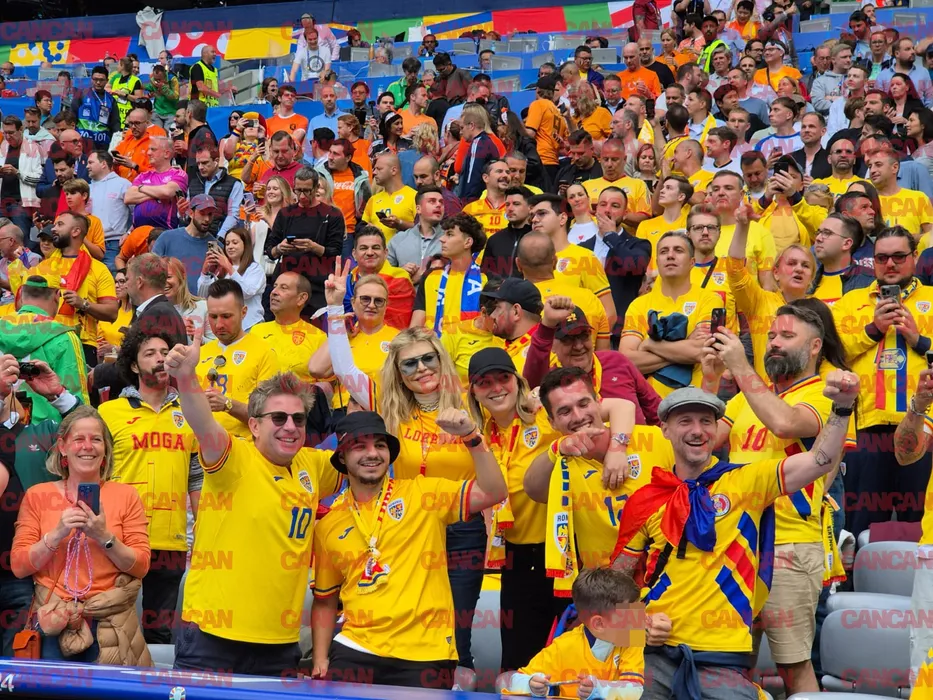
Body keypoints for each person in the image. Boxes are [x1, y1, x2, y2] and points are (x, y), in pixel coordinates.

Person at [611, 372, 859, 699]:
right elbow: (614, 584)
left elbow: (821, 460)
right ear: (665, 430)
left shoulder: (747, 481)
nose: (697, 430)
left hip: (723, 661)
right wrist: (637, 623)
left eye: (706, 421)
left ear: (716, 430)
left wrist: (842, 408)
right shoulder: (645, 499)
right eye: (685, 421)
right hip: (654, 656)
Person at [703, 303, 855, 695]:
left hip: (789, 545)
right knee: (732, 660)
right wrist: (710, 379)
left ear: (815, 346)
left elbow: (786, 423)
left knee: (793, 664)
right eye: (771, 335)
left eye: (787, 336)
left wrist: (740, 367)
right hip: (736, 542)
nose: (774, 342)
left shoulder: (826, 393)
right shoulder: (747, 398)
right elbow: (702, 441)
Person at [310, 405, 506, 688]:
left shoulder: (423, 493)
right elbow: (325, 599)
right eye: (359, 446)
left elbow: (493, 491)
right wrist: (319, 659)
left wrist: (471, 437)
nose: (372, 453)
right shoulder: (329, 525)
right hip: (356, 648)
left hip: (425, 654)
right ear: (342, 456)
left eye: (380, 445)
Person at [11, 402, 151, 665]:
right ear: (63, 447)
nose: (87, 446)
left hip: (113, 624)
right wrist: (56, 534)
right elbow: (19, 566)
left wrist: (104, 537)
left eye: (96, 439)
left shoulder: (126, 495)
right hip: (54, 622)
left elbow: (141, 566)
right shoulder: (38, 495)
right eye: (78, 439)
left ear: (105, 449)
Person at [98, 327, 199, 646]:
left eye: (165, 352)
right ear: (133, 365)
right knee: (113, 630)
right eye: (150, 353)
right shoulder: (109, 412)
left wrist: (203, 527)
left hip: (171, 540)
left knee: (159, 633)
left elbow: (196, 476)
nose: (160, 359)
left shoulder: (191, 412)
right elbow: (95, 473)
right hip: (119, 538)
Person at [832, 225, 933, 535]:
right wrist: (872, 330)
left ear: (914, 257)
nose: (890, 264)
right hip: (865, 427)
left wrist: (920, 340)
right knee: (859, 525)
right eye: (882, 258)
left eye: (899, 256)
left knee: (918, 527)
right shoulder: (850, 302)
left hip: (923, 425)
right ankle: (854, 569)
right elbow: (831, 355)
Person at [509, 568, 647, 697]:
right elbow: (514, 680)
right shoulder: (564, 646)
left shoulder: (632, 637)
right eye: (630, 613)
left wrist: (598, 689)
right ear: (598, 624)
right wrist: (531, 685)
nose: (641, 618)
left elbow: (635, 690)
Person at [620, 231, 722, 397]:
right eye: (663, 251)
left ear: (692, 262)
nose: (670, 256)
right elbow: (627, 360)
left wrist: (650, 345)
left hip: (697, 399)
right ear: (657, 262)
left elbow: (702, 351)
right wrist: (686, 346)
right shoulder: (638, 305)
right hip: (651, 403)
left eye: (678, 250)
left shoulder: (710, 300)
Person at [15, 213, 117, 368]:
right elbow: (21, 306)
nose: (53, 229)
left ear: (76, 231)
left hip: (82, 344)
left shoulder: (98, 269)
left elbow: (112, 312)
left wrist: (83, 304)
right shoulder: (42, 268)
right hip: (43, 341)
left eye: (60, 224)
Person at [0, 275, 89, 421]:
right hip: (48, 431)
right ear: (57, 295)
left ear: (21, 293)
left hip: (4, 429)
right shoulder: (65, 336)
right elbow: (77, 397)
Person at [265, 168, 345, 317]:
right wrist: (280, 248)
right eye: (298, 190)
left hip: (318, 284)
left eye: (307, 191)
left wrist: (314, 247)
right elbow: (270, 251)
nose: (302, 196)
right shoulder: (285, 214)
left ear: (316, 188)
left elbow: (336, 250)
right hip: (288, 282)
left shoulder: (332, 214)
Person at [527, 194, 613, 319]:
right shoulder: (530, 259)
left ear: (562, 218)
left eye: (542, 213)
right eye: (532, 216)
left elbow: (609, 313)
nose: (534, 220)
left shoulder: (585, 257)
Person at [409, 214, 487, 337]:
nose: (442, 239)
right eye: (444, 234)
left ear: (467, 242)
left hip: (471, 346)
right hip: (432, 345)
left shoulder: (487, 280)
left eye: (449, 234)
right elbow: (415, 326)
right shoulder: (430, 276)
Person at [151, 194, 221, 295]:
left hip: (201, 301)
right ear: (191, 213)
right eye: (202, 213)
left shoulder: (214, 245)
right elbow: (151, 270)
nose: (207, 219)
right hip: (170, 299)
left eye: (210, 214)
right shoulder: (167, 237)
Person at [196, 227, 264, 330]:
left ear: (245, 245)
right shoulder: (222, 270)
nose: (230, 247)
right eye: (227, 244)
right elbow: (203, 296)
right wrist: (205, 272)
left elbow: (247, 292)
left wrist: (228, 267)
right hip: (228, 328)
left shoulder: (255, 268)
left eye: (235, 243)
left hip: (251, 326)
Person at [867, 149, 933, 244]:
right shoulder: (866, 201)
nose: (872, 170)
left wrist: (909, 238)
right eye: (870, 166)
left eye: (878, 165)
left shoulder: (919, 198)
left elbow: (931, 236)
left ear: (894, 167)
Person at [808, 213, 873, 305]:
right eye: (818, 233)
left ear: (846, 244)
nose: (818, 238)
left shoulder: (869, 282)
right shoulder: (806, 282)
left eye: (827, 233)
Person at [125, 137, 187, 230]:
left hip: (164, 231)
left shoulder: (178, 174)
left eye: (153, 149)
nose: (148, 153)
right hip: (139, 231)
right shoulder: (143, 175)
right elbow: (128, 197)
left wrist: (141, 187)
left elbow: (167, 192)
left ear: (166, 154)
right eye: (149, 149)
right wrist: (158, 194)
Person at [185, 146, 245, 240]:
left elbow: (233, 215)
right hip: (193, 237)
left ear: (216, 161)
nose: (200, 167)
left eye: (205, 163)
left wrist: (219, 237)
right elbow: (187, 213)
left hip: (218, 237)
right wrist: (181, 213)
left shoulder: (234, 184)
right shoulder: (193, 183)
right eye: (198, 163)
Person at [315, 138, 371, 237]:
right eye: (330, 152)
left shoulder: (360, 176)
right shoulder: (319, 174)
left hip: (349, 232)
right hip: (323, 229)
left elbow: (367, 203)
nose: (330, 157)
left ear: (348, 158)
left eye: (335, 154)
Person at [636, 175, 692, 273]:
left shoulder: (691, 225)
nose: (662, 191)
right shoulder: (645, 225)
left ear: (681, 196)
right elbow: (639, 259)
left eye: (668, 188)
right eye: (663, 187)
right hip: (651, 280)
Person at [86, 152, 131, 271]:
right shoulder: (87, 188)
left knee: (111, 279)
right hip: (90, 245)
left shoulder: (123, 184)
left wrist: (129, 232)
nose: (87, 166)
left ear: (103, 164)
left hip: (113, 243)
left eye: (91, 162)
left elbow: (136, 212)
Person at [386, 186, 445, 277]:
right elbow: (384, 274)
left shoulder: (451, 240)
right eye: (432, 201)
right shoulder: (399, 239)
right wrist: (400, 272)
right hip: (405, 286)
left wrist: (424, 274)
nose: (438, 205)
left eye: (441, 202)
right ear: (418, 209)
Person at [0, 116, 43, 238]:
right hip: (2, 203)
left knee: (21, 240)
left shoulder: (33, 147)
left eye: (11, 133)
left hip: (21, 204)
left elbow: (39, 178)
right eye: (5, 133)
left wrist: (18, 173)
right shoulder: (3, 145)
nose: (8, 136)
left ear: (21, 130)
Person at [479, 186, 533, 280]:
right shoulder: (494, 240)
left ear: (530, 208)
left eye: (516, 204)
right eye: (507, 204)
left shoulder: (539, 240)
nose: (510, 209)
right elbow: (484, 273)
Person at [525, 75, 568, 188]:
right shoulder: (559, 113)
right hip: (554, 163)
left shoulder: (538, 104)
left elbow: (530, 133)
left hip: (539, 161)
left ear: (537, 90)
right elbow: (564, 146)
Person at [361, 154, 416, 241]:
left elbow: (423, 228)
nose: (374, 172)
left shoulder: (414, 196)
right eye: (374, 169)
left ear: (393, 170)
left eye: (379, 169)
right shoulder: (373, 199)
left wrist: (400, 224)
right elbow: (363, 225)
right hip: (379, 249)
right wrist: (369, 229)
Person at [75, 66, 121, 147]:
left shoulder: (111, 100)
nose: (98, 82)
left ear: (107, 81)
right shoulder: (81, 95)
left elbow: (115, 123)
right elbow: (72, 117)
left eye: (101, 80)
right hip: (83, 142)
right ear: (91, 79)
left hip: (103, 144)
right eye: (95, 79)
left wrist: (115, 141)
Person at [463, 160, 510, 236]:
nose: (505, 175)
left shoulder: (515, 208)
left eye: (508, 172)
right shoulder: (470, 210)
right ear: (485, 178)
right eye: (499, 171)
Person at [61, 179, 105, 261]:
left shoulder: (95, 221)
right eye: (66, 194)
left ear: (84, 196)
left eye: (73, 193)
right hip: (63, 264)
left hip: (87, 264)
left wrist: (81, 237)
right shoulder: (60, 219)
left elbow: (99, 255)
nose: (68, 197)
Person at [0, 221, 41, 306]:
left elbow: (31, 291)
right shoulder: (2, 262)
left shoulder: (33, 259)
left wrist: (2, 283)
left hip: (22, 309)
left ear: (11, 241)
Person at [811, 43, 853, 117]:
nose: (848, 60)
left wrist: (832, 99)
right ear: (833, 60)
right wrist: (846, 102)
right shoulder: (820, 81)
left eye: (850, 57)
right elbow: (818, 104)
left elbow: (859, 101)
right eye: (844, 57)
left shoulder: (856, 77)